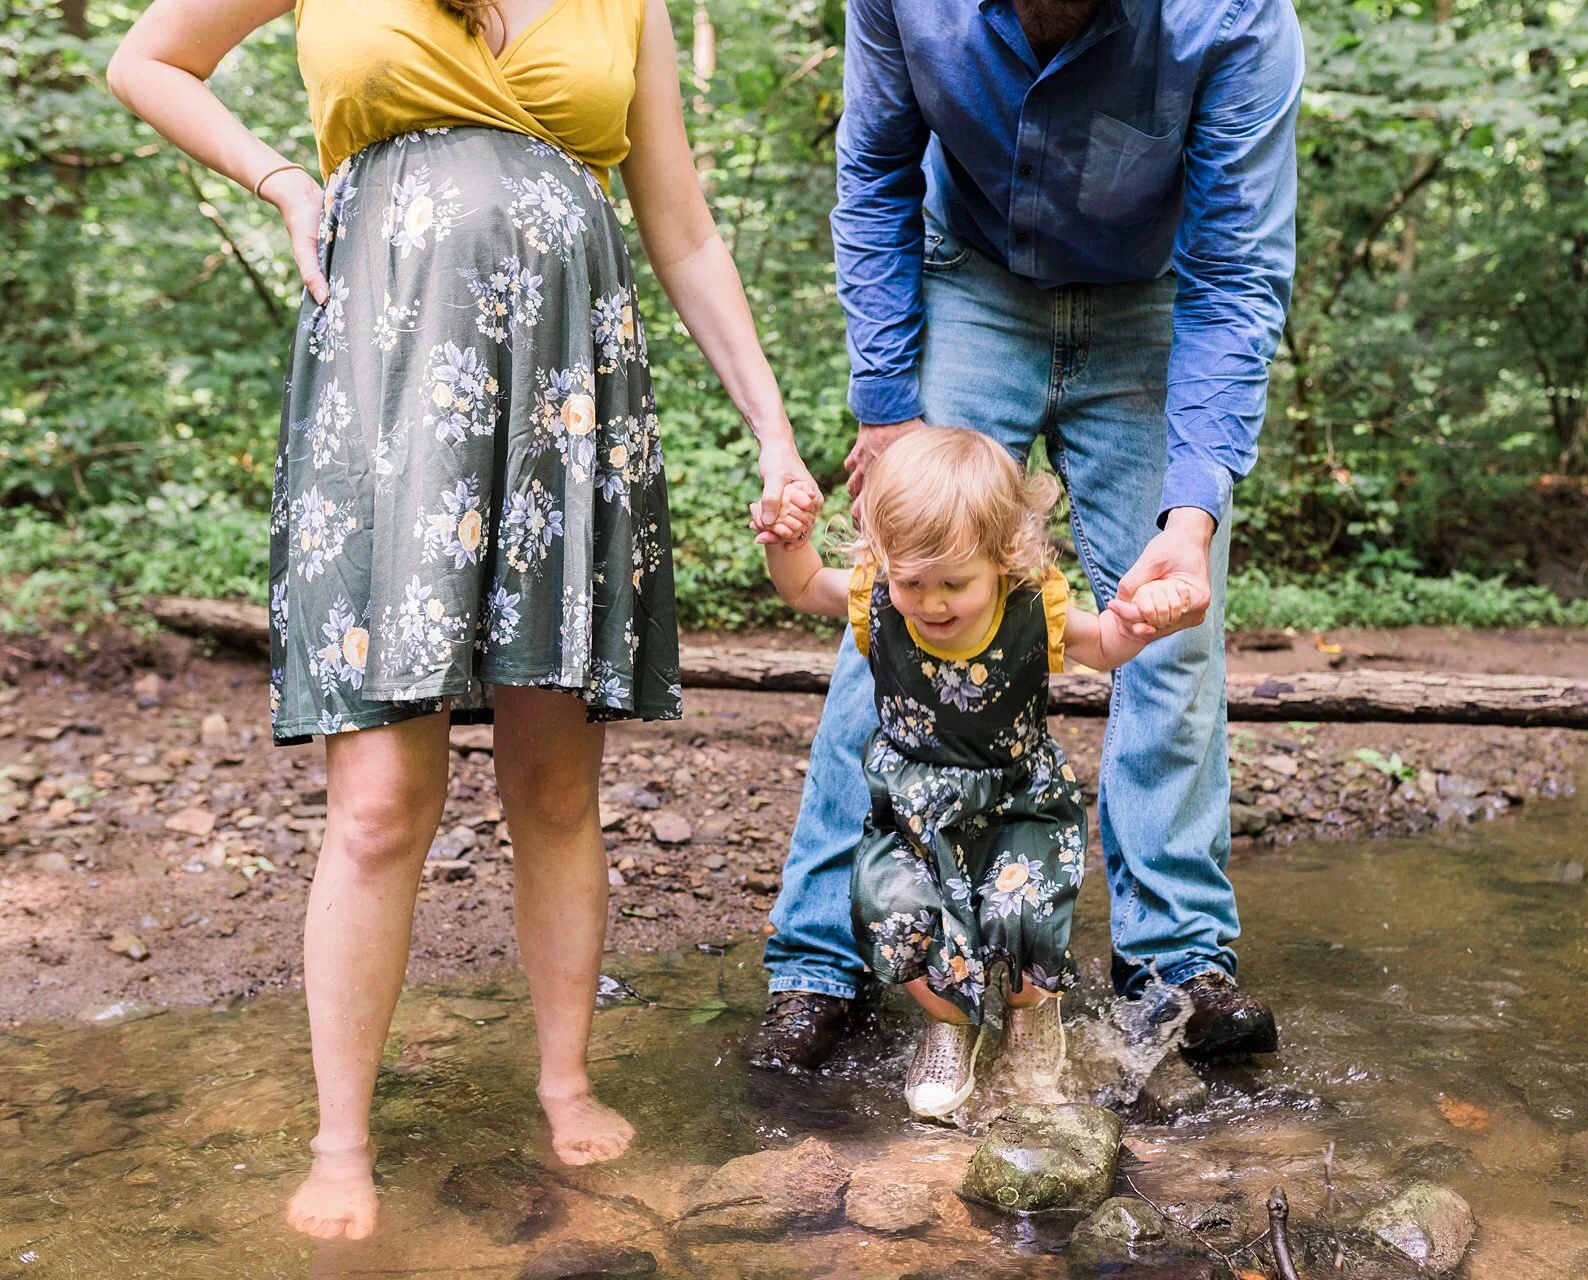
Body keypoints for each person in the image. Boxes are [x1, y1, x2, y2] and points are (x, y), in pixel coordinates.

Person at [109, 0, 819, 1241]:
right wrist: (281, 178)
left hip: (570, 398)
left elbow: (686, 228)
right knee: (380, 796)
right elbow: (147, 59)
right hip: (391, 392)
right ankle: (341, 1139)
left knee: (555, 782)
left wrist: (774, 429)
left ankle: (565, 1083)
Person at [751, 0, 1304, 1072]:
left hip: (1157, 300)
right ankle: (821, 960)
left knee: (1173, 627)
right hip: (970, 279)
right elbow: (874, 174)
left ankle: (1176, 964)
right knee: (899, 598)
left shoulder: (1234, 19)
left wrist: (1191, 516)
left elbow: (1237, 273)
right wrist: (886, 409)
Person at [762, 427, 1194, 1118]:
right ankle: (948, 1023)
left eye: (954, 584)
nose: (931, 603)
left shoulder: (1034, 606)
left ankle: (1030, 1016)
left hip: (1017, 800)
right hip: (909, 807)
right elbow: (807, 586)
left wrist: (1145, 621)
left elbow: (1108, 646)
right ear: (884, 557)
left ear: (1003, 557)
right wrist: (787, 541)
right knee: (892, 913)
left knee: (1023, 918)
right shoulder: (877, 596)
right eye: (912, 582)